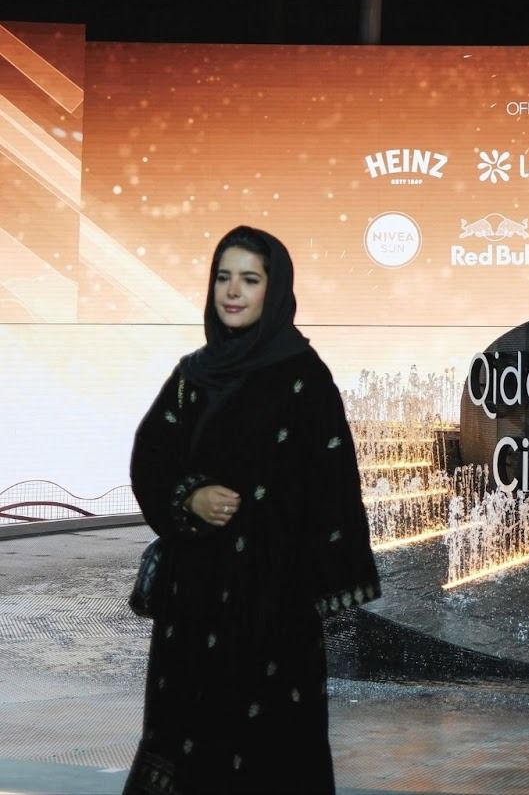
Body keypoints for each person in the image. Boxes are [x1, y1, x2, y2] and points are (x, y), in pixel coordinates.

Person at [126, 226, 379, 794]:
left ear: (275, 289)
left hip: (273, 601)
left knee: (271, 739)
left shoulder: (303, 376)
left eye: (249, 279)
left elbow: (333, 481)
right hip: (194, 600)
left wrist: (326, 577)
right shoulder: (194, 375)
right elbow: (151, 458)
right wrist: (190, 496)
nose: (232, 292)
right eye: (223, 278)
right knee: (186, 730)